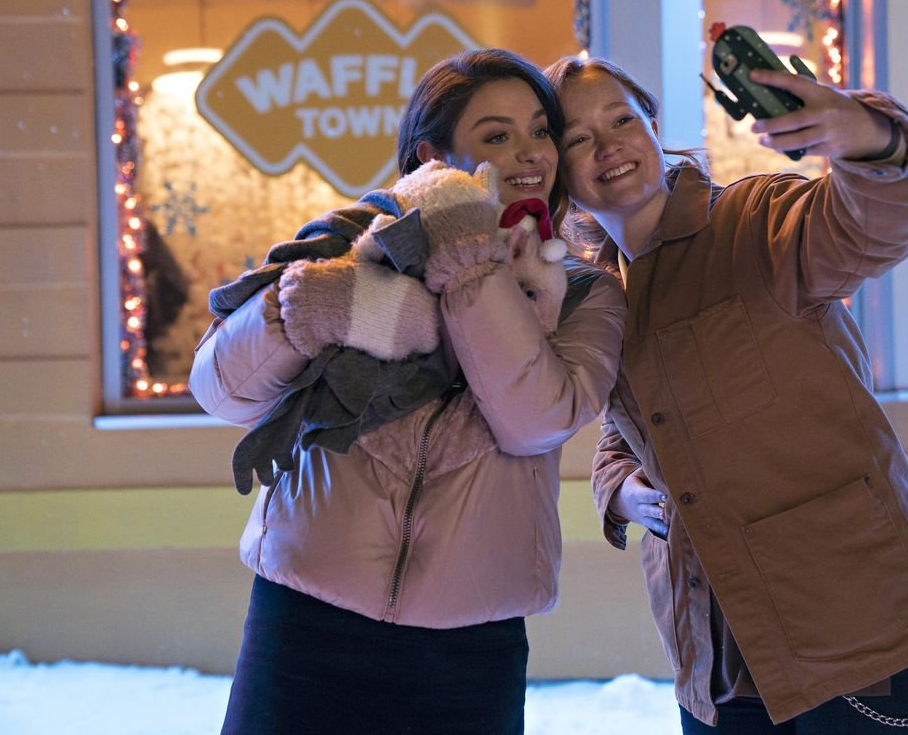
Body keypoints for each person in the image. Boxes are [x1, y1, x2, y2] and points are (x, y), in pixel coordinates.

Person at [189, 49, 627, 735]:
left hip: (466, 646)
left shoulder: (580, 290)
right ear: (433, 156)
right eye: (496, 135)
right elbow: (220, 389)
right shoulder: (350, 241)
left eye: (540, 130)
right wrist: (307, 311)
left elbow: (533, 420)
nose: (530, 153)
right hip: (306, 619)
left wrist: (464, 258)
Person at [545, 55, 908, 733]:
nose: (607, 144)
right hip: (716, 662)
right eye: (576, 137)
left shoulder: (756, 222)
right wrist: (619, 490)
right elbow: (628, 429)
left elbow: (872, 228)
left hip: (858, 638)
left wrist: (868, 139)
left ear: (654, 127)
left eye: (621, 119)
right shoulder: (601, 297)